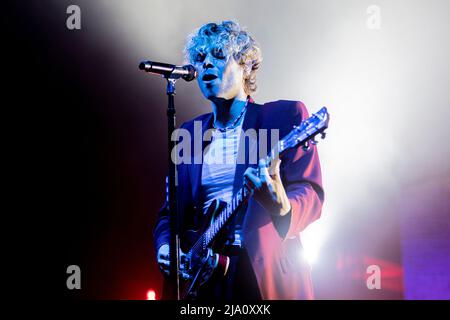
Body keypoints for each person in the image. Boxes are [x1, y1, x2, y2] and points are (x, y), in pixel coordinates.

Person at [153, 20, 324, 300]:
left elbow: (310, 191)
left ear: (245, 65)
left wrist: (281, 205)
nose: (206, 63)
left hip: (261, 275)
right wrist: (165, 248)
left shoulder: (284, 116)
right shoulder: (188, 133)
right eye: (200, 58)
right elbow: (168, 215)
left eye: (219, 55)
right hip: (203, 280)